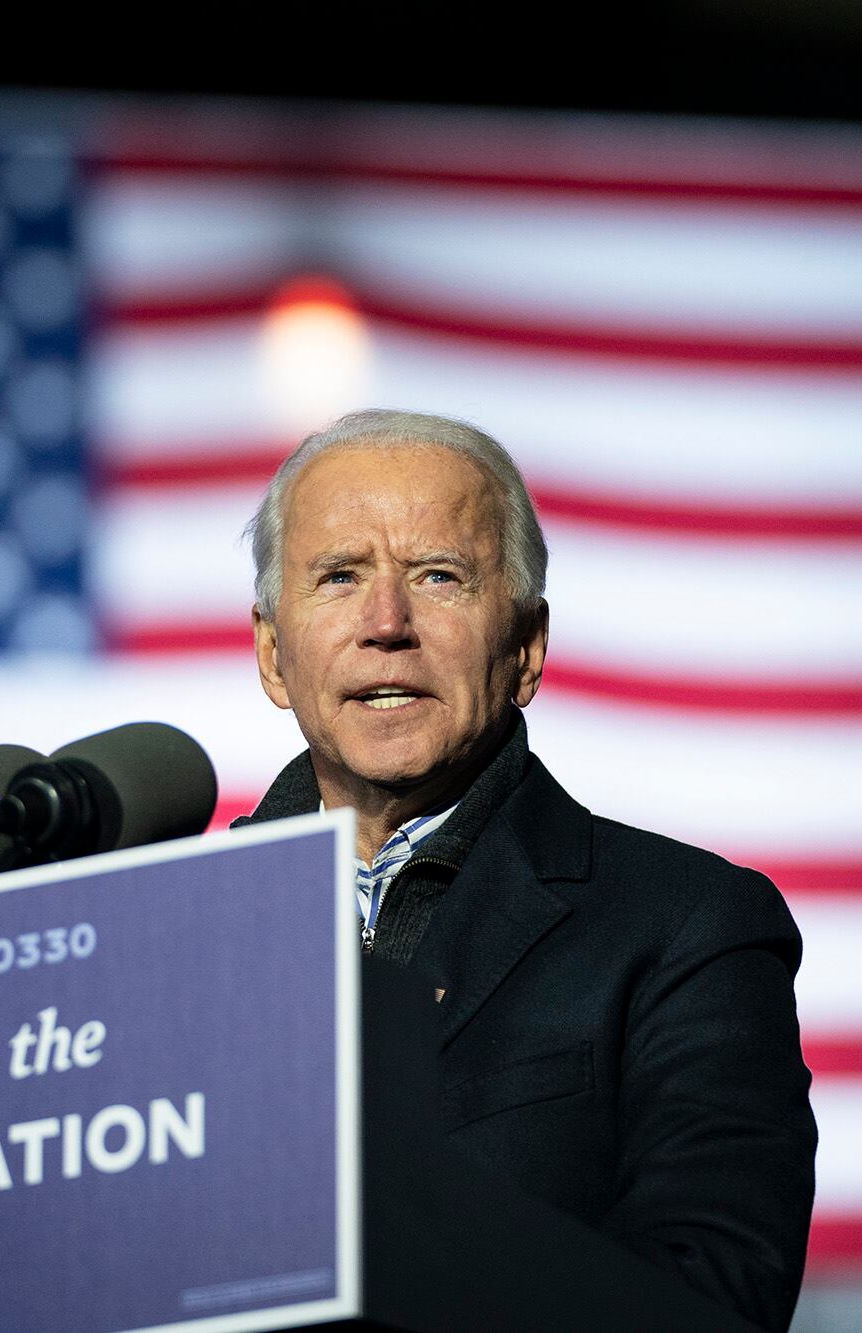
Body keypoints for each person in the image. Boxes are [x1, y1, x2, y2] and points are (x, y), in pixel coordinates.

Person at [230, 409, 817, 1333]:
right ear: (272, 650)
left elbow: (716, 1297)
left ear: (528, 647)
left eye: (439, 576)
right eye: (339, 576)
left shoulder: (687, 926)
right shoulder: (166, 933)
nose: (387, 624)